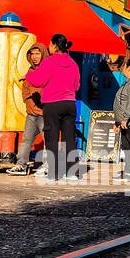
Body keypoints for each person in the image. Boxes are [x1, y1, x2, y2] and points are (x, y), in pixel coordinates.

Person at [24, 34, 81, 181]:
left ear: (54, 45)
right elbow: (77, 85)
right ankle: (72, 172)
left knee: (52, 138)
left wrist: (28, 75)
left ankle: (54, 173)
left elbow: (37, 81)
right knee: (69, 139)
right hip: (69, 104)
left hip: (52, 104)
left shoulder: (49, 61)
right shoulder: (73, 63)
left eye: (50, 44)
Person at [7, 43, 48, 174]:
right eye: (32, 54)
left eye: (38, 53)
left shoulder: (48, 70)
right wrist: (27, 102)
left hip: (44, 113)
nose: (35, 57)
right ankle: (21, 165)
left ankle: (48, 166)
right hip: (31, 114)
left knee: (48, 140)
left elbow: (45, 91)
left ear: (43, 54)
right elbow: (25, 90)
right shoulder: (30, 71)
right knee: (26, 140)